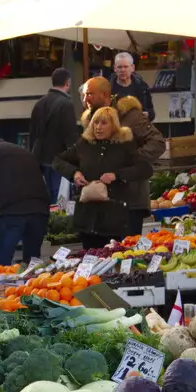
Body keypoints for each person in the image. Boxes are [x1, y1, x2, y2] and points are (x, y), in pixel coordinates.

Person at [53, 105, 151, 250]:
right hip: (88, 217)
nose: (98, 127)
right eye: (95, 123)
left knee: (113, 255)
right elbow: (58, 160)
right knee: (89, 255)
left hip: (114, 217)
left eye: (104, 123)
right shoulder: (84, 144)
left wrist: (116, 175)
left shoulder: (125, 145)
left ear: (114, 125)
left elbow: (145, 169)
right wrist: (74, 173)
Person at [0, 137, 49, 265]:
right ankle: (31, 284)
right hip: (39, 210)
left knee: (2, 264)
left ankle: (2, 284)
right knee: (32, 264)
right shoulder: (25, 152)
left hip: (11, 212)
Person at [111, 90, 165, 235]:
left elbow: (157, 142)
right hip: (105, 202)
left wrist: (133, 158)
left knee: (128, 247)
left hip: (131, 198)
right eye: (84, 95)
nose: (86, 99)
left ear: (104, 95)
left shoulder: (131, 116)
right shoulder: (94, 119)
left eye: (90, 94)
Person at [30, 69, 78, 202]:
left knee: (46, 199)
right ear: (68, 83)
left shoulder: (39, 104)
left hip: (40, 160)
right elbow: (70, 135)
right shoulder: (66, 105)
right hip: (60, 162)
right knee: (61, 200)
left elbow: (32, 133)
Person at [109, 52, 154, 120]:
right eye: (119, 67)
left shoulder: (142, 87)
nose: (123, 70)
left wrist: (147, 114)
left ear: (132, 67)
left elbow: (151, 112)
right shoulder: (108, 87)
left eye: (125, 67)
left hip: (137, 127)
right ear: (115, 68)